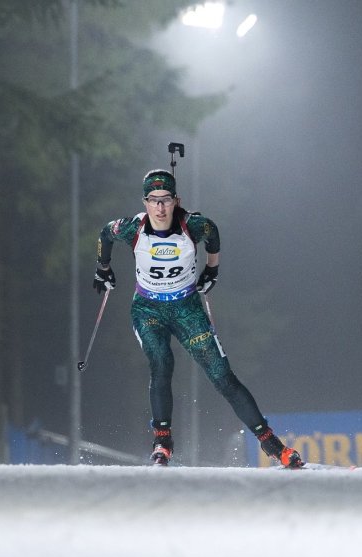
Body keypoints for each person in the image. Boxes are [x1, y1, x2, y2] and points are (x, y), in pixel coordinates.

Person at [92, 169, 304, 468]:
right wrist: (103, 268)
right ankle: (162, 443)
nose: (160, 208)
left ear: (175, 200)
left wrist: (212, 269)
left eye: (166, 200)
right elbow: (105, 233)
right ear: (145, 202)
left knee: (222, 377)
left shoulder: (194, 225)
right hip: (148, 310)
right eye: (154, 201)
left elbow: (213, 233)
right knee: (162, 363)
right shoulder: (131, 228)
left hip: (187, 309)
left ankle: (272, 445)